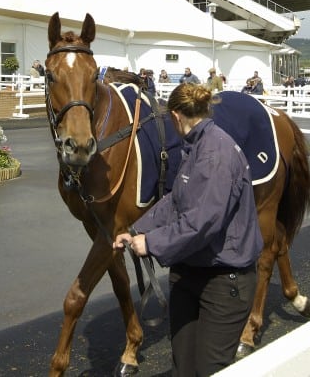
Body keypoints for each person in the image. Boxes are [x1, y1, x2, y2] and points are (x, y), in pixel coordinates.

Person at [112, 83, 262, 375]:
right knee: (183, 365)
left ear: (176, 117)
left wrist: (152, 243)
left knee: (209, 369)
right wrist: (135, 229)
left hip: (223, 281)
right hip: (193, 271)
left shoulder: (215, 155)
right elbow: (175, 201)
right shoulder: (195, 147)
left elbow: (202, 222)